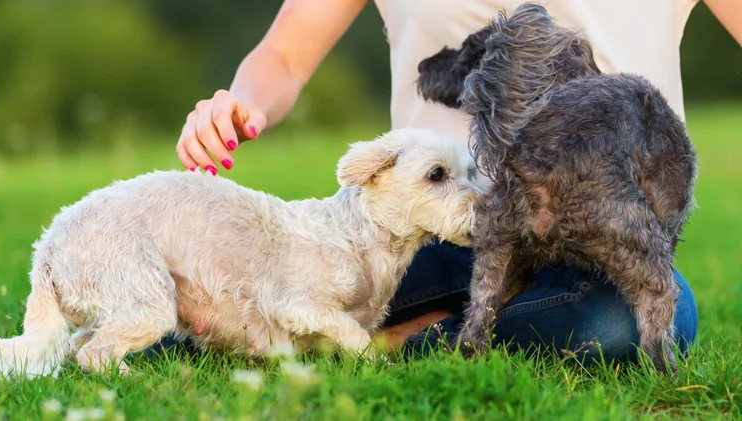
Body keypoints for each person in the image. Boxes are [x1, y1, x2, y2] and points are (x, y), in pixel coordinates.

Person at [159, 0, 742, 364]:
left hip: (592, 244)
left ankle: (403, 341)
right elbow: (284, 57)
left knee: (625, 323)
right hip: (417, 238)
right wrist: (241, 104)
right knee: (191, 306)